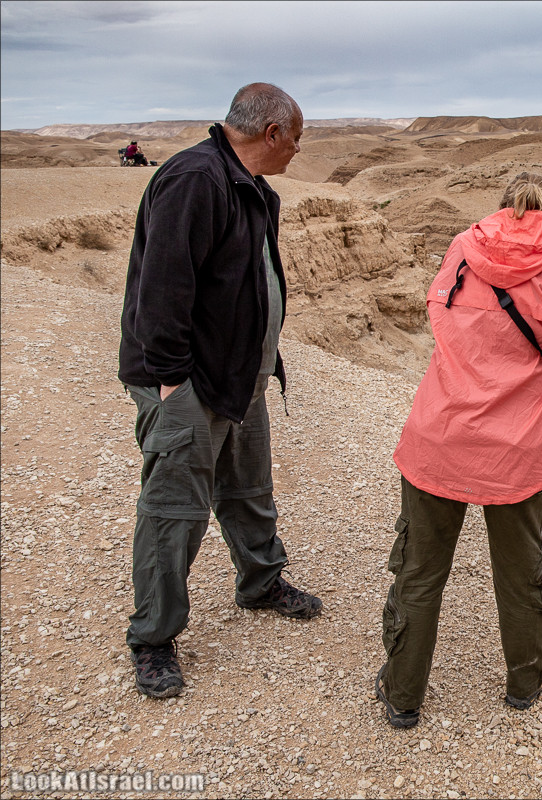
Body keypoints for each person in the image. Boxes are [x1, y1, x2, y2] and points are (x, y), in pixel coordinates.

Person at [376, 172, 542, 728]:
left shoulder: (462, 247)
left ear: (501, 207)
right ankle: (525, 683)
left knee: (419, 570)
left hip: (440, 436)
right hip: (518, 449)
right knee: (520, 570)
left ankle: (403, 694)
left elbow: (440, 318)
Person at [117, 82, 320, 699]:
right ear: (272, 134)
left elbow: (248, 283)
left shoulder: (250, 187)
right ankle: (153, 638)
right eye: (297, 139)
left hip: (240, 376)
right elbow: (162, 291)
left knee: (249, 487)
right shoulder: (195, 180)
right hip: (192, 383)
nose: (297, 151)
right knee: (174, 509)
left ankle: (260, 582)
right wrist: (174, 381)